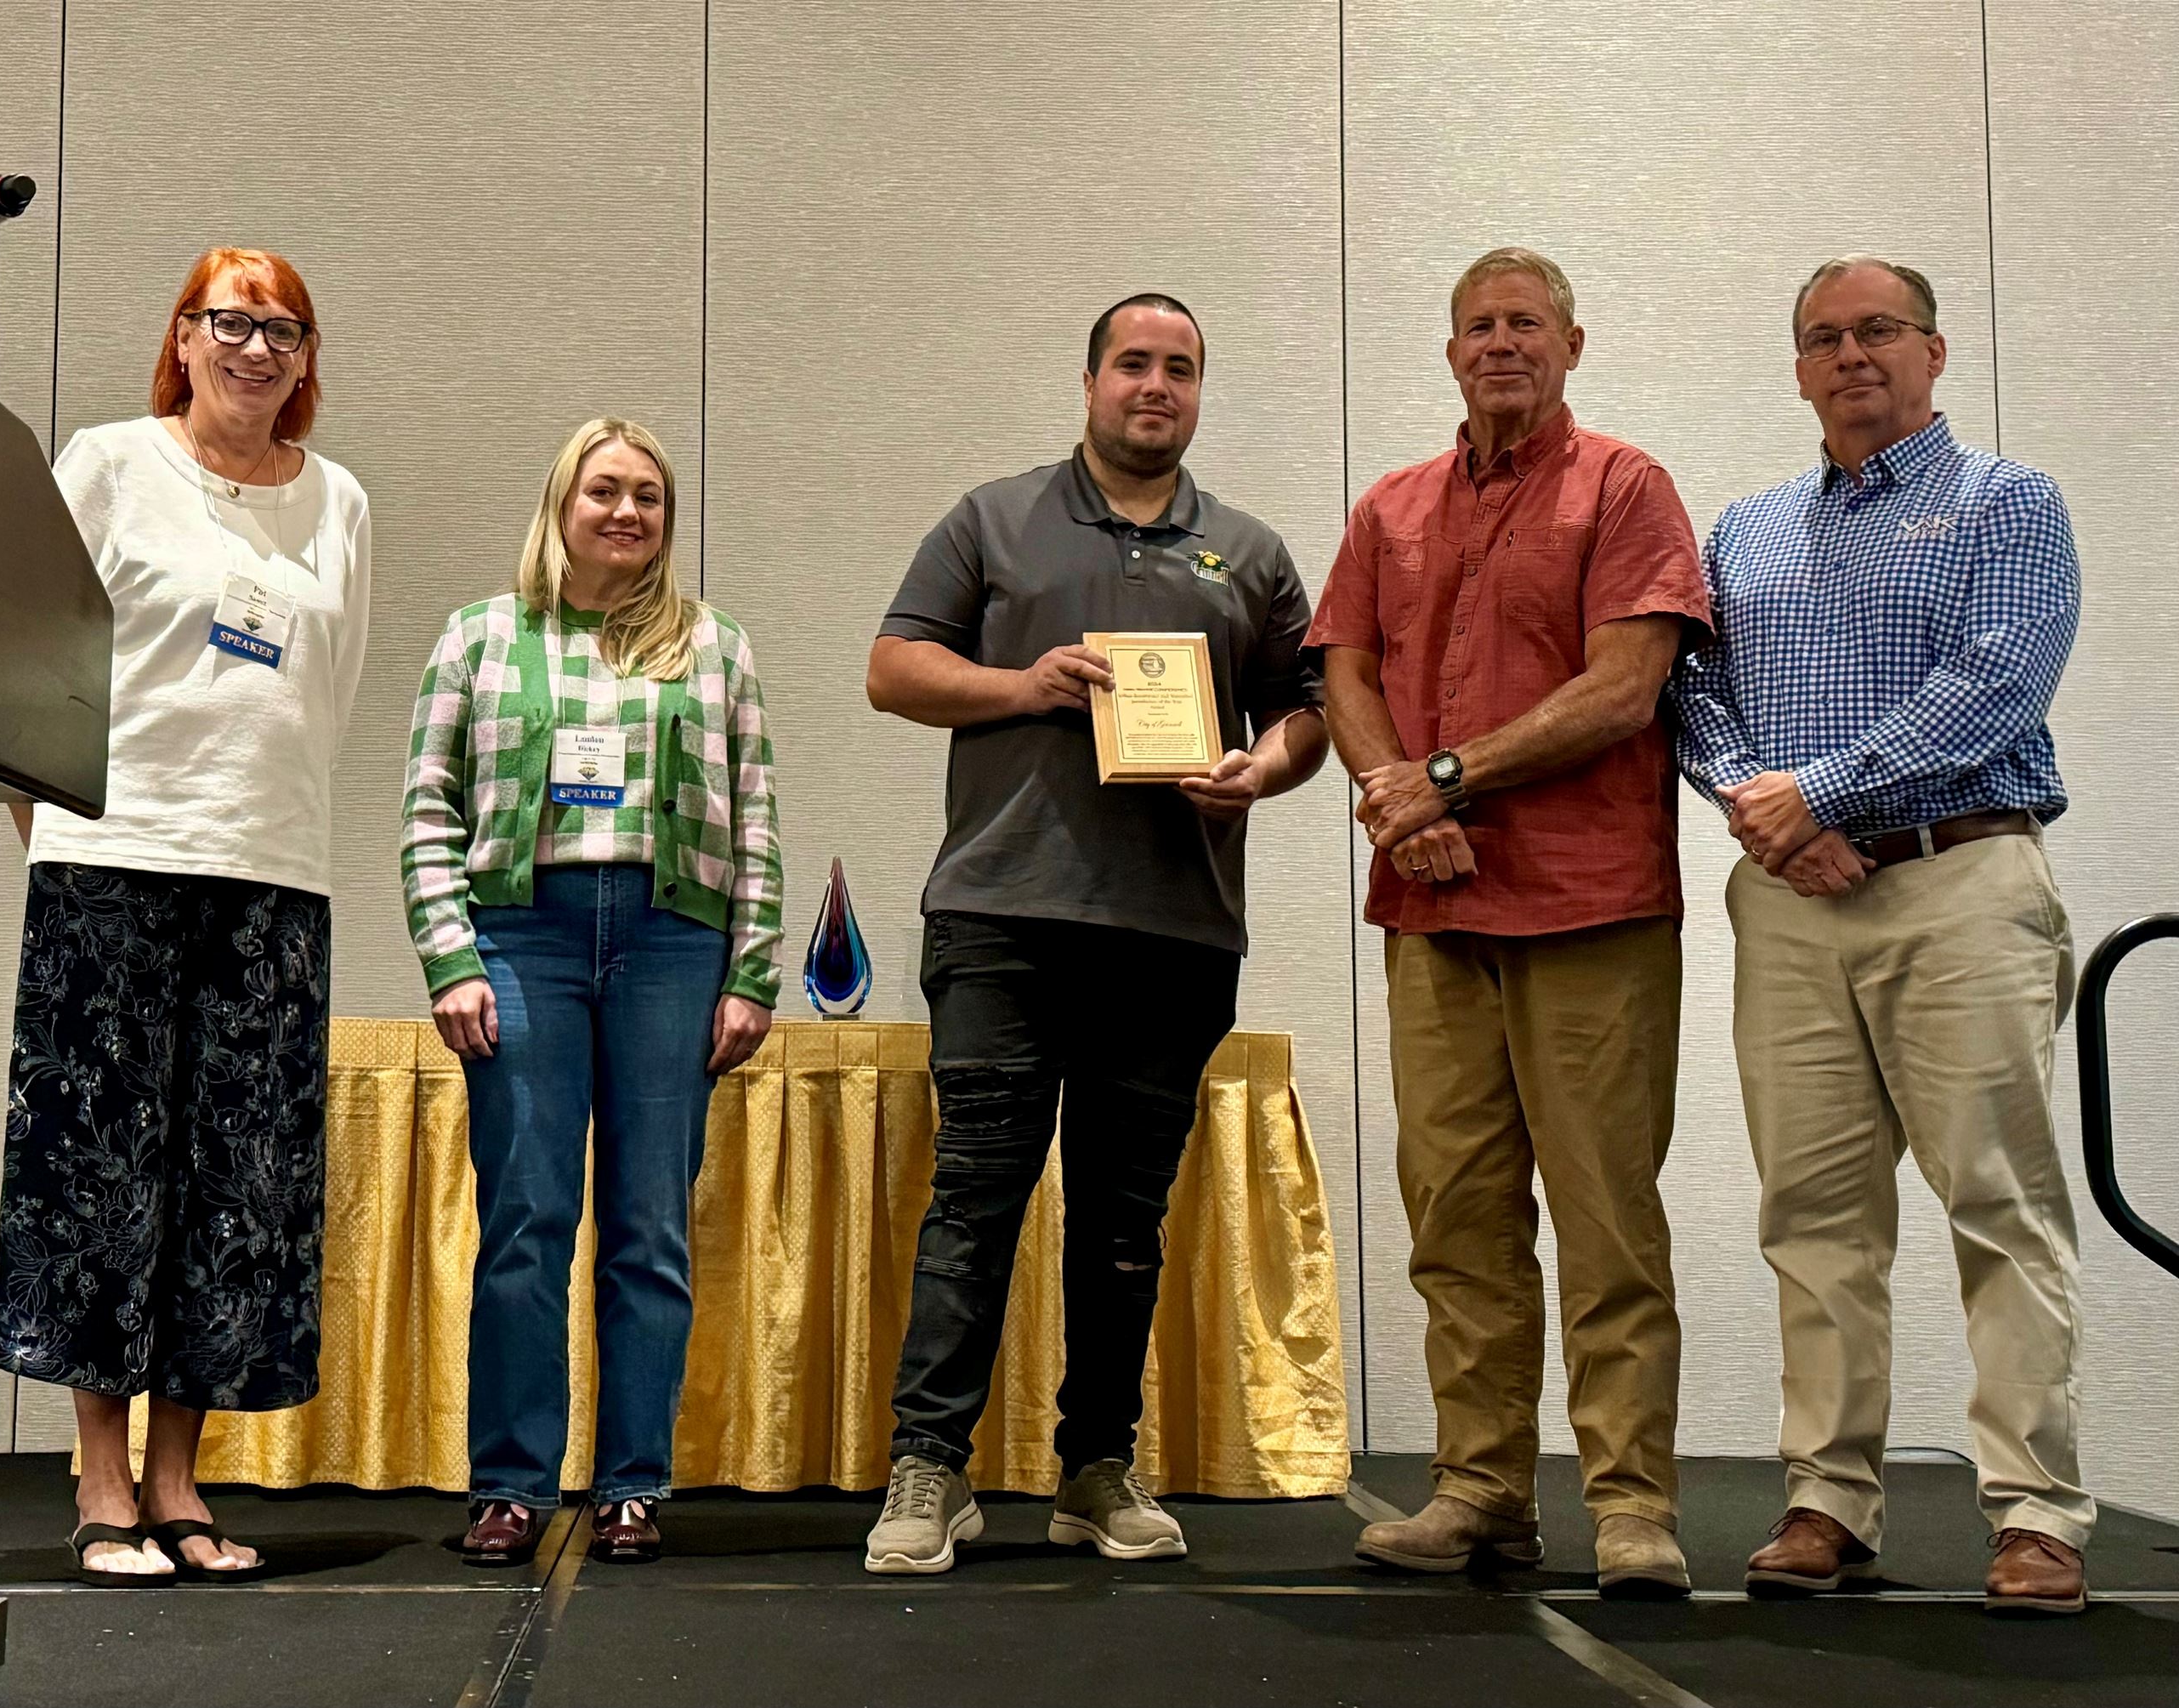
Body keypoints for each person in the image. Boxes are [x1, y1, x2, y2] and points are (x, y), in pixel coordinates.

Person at [860, 293, 1328, 1574]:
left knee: (1127, 1223)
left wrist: (1259, 769)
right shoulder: (993, 518)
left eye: (1180, 369)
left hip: (1173, 934)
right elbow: (894, 665)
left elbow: (1314, 713)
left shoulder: (1251, 551)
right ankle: (929, 1469)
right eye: (1134, 363)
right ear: (1088, 382)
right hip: (1001, 918)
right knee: (976, 1201)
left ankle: (1096, 1468)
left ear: (1197, 393)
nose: (1155, 386)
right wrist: (1024, 685)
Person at [1671, 255, 2093, 1615]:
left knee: (1999, 1200)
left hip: (1960, 880)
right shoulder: (1748, 526)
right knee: (1814, 1215)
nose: (1852, 356)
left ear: (1936, 351)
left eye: (1879, 332)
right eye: (1823, 338)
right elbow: (1692, 690)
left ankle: (2035, 1511)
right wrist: (1767, 810)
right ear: (1797, 368)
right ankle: (1826, 1499)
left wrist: (1821, 790)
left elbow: (1997, 681)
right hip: (1791, 904)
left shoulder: (2007, 503)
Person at [1305, 247, 1710, 1598]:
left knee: (1605, 1216)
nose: (1501, 345)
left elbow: (1627, 686)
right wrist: (1396, 798)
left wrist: (1448, 775)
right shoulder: (1393, 506)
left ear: (1574, 344)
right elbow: (1345, 666)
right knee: (1457, 1213)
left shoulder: (1627, 488)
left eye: (1526, 324)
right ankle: (1481, 1488)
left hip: (1591, 907)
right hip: (1431, 905)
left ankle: (1631, 1504)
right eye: (1479, 326)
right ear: (1450, 351)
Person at [0, 247, 370, 1582]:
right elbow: (29, 650)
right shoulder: (105, 462)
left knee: (234, 1183)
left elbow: (331, 691)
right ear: (183, 336)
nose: (255, 348)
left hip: (272, 878)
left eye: (282, 329)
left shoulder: (340, 502)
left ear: (308, 357)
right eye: (230, 322)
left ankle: (180, 1478)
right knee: (102, 1175)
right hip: (115, 866)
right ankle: (100, 1483)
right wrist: (66, 834)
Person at [399, 417, 781, 1567]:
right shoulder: (478, 638)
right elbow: (427, 811)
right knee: (526, 1220)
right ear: (561, 504)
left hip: (673, 941)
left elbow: (756, 817)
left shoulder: (715, 648)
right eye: (603, 490)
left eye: (649, 497)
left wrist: (754, 969)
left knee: (650, 1228)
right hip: (524, 938)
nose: (626, 512)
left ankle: (630, 1484)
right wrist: (450, 956)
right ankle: (510, 1484)